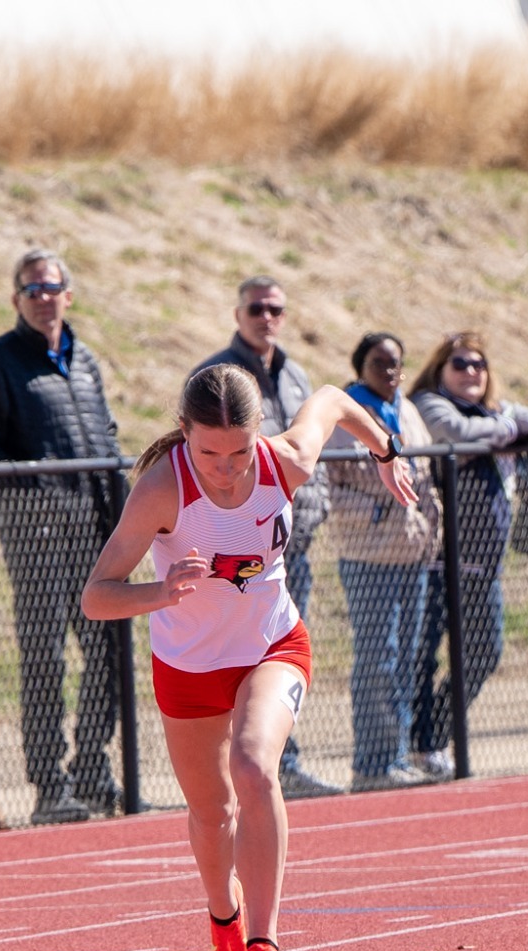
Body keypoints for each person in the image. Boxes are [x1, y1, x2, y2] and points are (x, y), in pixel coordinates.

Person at [81, 365, 412, 951]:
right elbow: (97, 597)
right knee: (213, 813)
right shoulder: (162, 488)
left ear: (258, 435)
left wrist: (386, 450)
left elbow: (334, 400)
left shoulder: (284, 461)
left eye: (237, 453)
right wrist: (160, 591)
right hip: (189, 666)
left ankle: (265, 945)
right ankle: (223, 915)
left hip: (271, 645)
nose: (226, 469)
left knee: (255, 766)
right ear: (184, 434)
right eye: (209, 452)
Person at [0, 249, 123, 824]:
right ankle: (49, 784)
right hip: (36, 529)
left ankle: (92, 767)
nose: (43, 298)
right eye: (32, 290)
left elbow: (103, 433)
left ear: (68, 294)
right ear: (17, 300)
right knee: (44, 658)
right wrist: (39, 483)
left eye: (52, 288)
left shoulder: (84, 360)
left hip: (97, 527)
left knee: (110, 650)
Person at [195, 277, 341, 800]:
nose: (266, 316)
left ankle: (278, 761)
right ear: (238, 313)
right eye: (256, 307)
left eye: (275, 308)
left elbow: (306, 447)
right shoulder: (217, 378)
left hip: (287, 543)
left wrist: (314, 508)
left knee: (278, 657)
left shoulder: (295, 373)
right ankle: (236, 772)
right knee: (235, 662)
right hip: (232, 554)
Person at [407, 332, 528, 776]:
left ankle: (436, 736)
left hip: (484, 563)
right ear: (440, 369)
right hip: (435, 559)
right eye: (460, 363)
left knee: (485, 651)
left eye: (479, 364)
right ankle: (417, 745)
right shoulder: (428, 402)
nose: (472, 371)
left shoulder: (495, 409)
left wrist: (498, 426)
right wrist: (505, 431)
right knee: (422, 656)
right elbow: (454, 432)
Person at [326, 333, 442, 789]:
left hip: (412, 551)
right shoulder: (345, 413)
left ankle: (395, 755)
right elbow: (330, 485)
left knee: (408, 656)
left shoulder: (408, 410)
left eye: (396, 363)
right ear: (360, 367)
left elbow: (427, 471)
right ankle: (371, 764)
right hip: (367, 553)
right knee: (378, 656)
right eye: (379, 363)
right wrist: (376, 511)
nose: (389, 371)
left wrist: (430, 522)